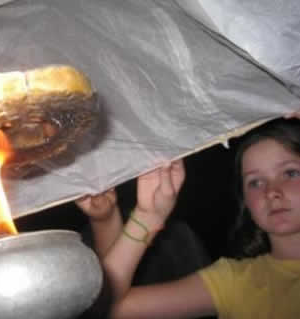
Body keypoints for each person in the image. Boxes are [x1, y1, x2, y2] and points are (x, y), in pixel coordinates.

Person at [76, 115, 300, 318]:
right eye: (255, 182)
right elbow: (111, 308)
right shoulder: (238, 281)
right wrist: (147, 216)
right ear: (247, 203)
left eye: (290, 173)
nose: (271, 192)